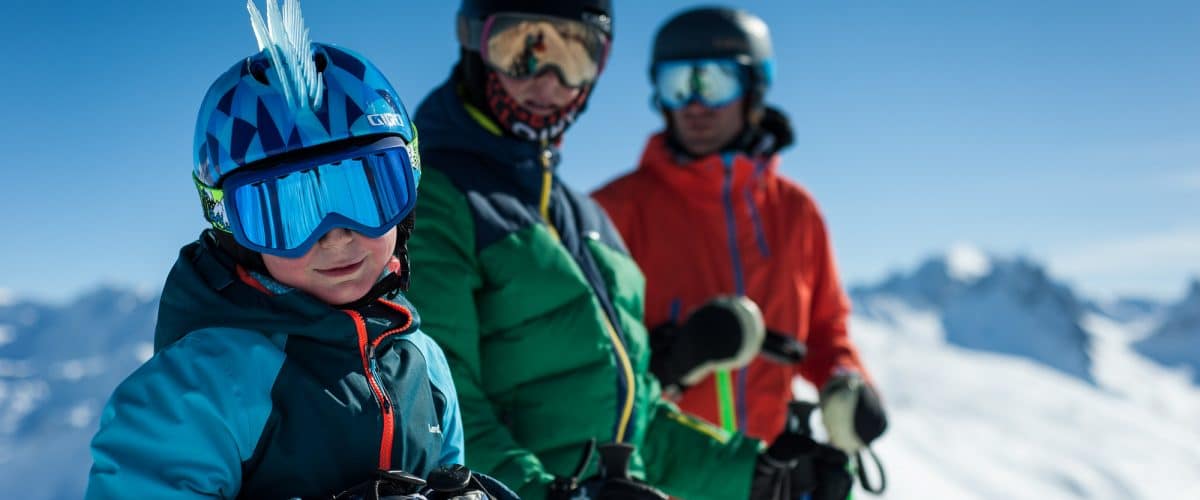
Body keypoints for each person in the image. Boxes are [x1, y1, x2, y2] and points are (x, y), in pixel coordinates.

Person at [86, 1, 513, 498]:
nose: (335, 236)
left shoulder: (423, 362)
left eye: (366, 192)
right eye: (286, 212)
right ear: (233, 230)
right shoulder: (197, 389)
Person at [405, 1, 826, 499]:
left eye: (574, 56)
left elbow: (634, 427)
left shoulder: (586, 220)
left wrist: (761, 475)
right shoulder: (433, 200)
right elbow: (439, 415)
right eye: (522, 49)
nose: (548, 81)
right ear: (475, 43)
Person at [592, 5, 889, 492]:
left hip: (771, 474)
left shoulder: (797, 212)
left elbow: (825, 331)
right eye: (676, 83)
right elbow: (585, 360)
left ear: (753, 89)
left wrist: (845, 382)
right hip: (665, 477)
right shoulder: (614, 211)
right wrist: (671, 361)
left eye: (714, 81)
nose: (693, 102)